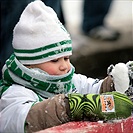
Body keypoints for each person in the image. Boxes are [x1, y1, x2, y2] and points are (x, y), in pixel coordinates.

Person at [0, 1, 132, 133]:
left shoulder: (69, 81)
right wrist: (70, 107)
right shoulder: (14, 92)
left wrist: (116, 83)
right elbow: (23, 120)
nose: (64, 66)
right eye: (55, 60)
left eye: (66, 58)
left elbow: (94, 89)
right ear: (29, 64)